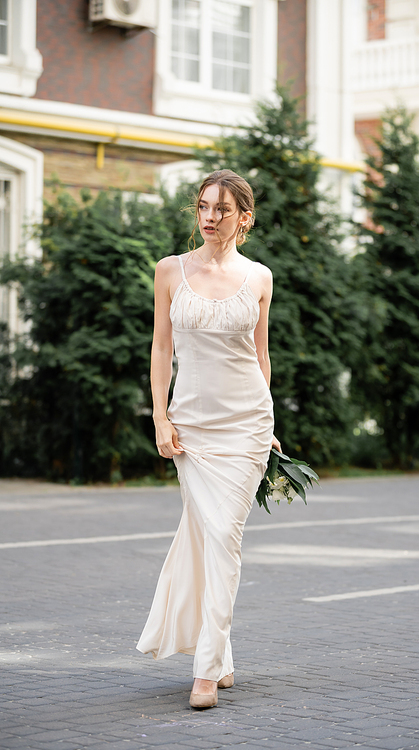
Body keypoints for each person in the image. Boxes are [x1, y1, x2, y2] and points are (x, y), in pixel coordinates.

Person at [136, 169, 280, 709]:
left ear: (244, 218)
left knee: (224, 537)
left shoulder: (260, 278)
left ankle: (204, 670)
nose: (210, 217)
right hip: (192, 427)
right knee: (205, 536)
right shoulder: (169, 271)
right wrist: (160, 417)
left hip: (246, 426)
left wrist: (268, 430)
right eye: (203, 207)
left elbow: (260, 358)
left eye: (222, 209)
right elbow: (159, 349)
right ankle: (219, 657)